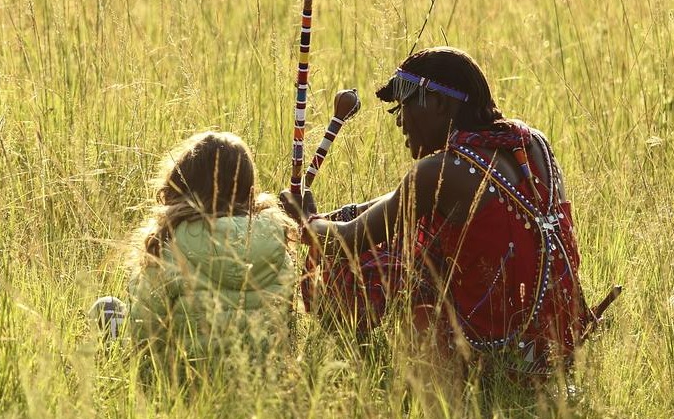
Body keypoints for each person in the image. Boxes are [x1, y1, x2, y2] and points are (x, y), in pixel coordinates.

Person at [285, 46, 591, 379]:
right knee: (417, 243)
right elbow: (395, 203)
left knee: (341, 267)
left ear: (442, 104)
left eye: (405, 106)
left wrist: (307, 220)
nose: (400, 120)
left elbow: (346, 241)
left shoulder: (439, 173)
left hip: (499, 358)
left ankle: (359, 368)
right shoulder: (530, 144)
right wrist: (339, 214)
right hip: (560, 346)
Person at [121, 130, 297, 375]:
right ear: (248, 188)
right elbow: (287, 329)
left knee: (106, 308)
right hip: (262, 384)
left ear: (181, 184)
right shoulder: (276, 245)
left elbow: (143, 334)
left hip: (185, 382)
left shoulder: (168, 246)